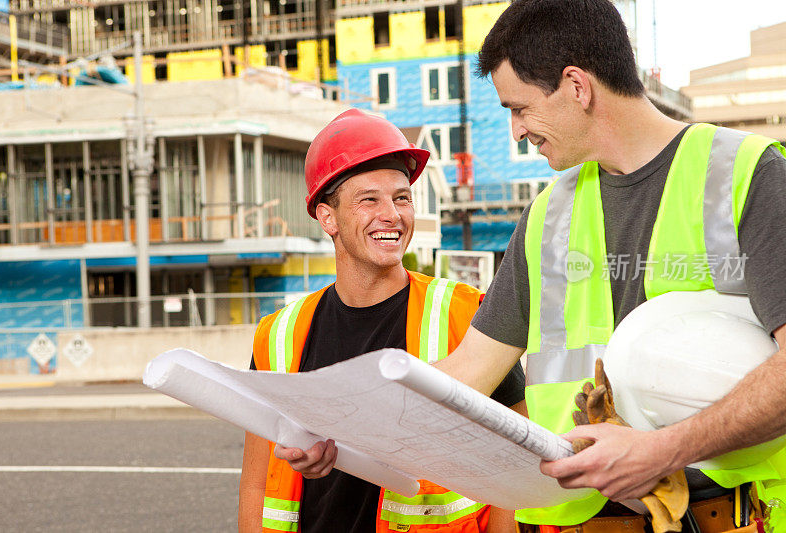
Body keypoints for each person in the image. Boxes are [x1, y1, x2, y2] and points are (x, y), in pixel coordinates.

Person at [278, 1, 786, 531]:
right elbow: (467, 373)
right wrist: (343, 432)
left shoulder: (747, 175)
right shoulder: (549, 214)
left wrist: (662, 450)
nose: (517, 131)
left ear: (577, 85)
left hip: (731, 516)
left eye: (519, 108)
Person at [238, 108, 525, 533]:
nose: (391, 214)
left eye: (401, 197)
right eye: (369, 199)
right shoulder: (278, 335)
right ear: (327, 216)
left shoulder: (465, 315)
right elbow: (256, 486)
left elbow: (515, 465)